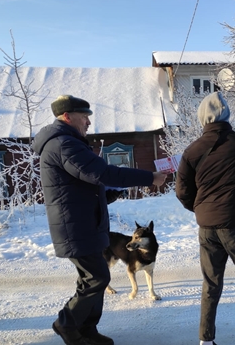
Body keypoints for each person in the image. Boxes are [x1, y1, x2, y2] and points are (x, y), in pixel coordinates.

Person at [32, 94, 167, 345]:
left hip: (85, 225)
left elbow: (86, 186)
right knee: (97, 278)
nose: (88, 123)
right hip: (76, 228)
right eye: (84, 117)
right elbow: (101, 173)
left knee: (92, 277)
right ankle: (67, 324)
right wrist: (149, 177)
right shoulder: (63, 144)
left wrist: (114, 191)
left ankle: (86, 330)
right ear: (67, 116)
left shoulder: (67, 143)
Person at [175, 92, 235, 345]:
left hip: (207, 228)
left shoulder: (192, 150)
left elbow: (182, 191)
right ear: (227, 114)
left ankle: (206, 340)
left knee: (211, 285)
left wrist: (201, 208)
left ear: (202, 118)